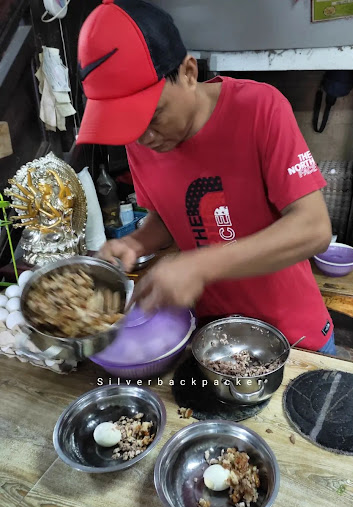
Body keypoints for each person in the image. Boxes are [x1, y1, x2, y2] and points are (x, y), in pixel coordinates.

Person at [77, 0, 336, 355]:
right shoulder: (141, 140)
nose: (144, 138)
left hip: (293, 337)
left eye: (154, 116)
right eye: (130, 126)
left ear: (188, 72)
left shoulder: (259, 108)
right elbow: (170, 218)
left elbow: (314, 229)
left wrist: (199, 266)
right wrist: (135, 244)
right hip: (213, 337)